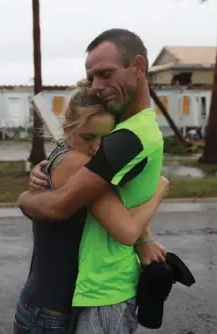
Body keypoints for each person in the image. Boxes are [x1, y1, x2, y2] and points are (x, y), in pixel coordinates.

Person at [19, 28, 166, 333]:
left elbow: (116, 208)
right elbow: (124, 225)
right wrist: (161, 189)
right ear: (68, 129)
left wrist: (145, 238)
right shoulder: (79, 160)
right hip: (56, 307)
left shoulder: (86, 150)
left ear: (137, 66)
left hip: (56, 301)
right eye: (88, 137)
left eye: (105, 74)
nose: (98, 148)